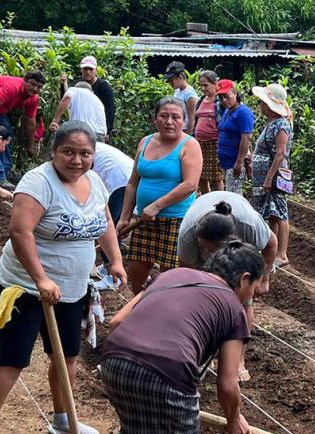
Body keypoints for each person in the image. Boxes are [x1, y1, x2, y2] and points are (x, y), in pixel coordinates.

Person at [0, 121, 127, 434]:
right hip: (23, 288)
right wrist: (40, 278)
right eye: (69, 151)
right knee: (13, 361)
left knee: (66, 357)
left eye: (85, 153)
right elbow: (19, 231)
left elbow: (106, 222)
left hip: (71, 289)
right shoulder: (39, 183)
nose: (77, 160)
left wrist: (114, 259)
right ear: (54, 152)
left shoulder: (94, 182)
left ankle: (62, 417)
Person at [101, 241, 260, 434]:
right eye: (253, 287)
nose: (252, 295)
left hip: (115, 360)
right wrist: (233, 419)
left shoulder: (171, 275)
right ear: (244, 279)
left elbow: (117, 321)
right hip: (169, 371)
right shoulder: (234, 309)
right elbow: (228, 384)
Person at [178, 191, 278, 381]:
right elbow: (187, 275)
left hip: (240, 257)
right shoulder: (188, 234)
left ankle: (238, 359)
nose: (208, 251)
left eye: (210, 248)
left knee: (244, 303)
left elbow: (271, 244)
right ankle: (202, 353)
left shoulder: (249, 225)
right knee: (201, 304)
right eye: (204, 247)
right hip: (201, 263)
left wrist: (263, 279)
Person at [116, 96, 202, 294]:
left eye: (175, 117)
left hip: (176, 222)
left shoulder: (190, 145)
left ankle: (166, 317)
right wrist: (125, 217)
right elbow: (132, 183)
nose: (169, 121)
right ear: (155, 119)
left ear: (184, 121)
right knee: (136, 271)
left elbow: (190, 184)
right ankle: (142, 311)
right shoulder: (145, 142)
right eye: (164, 116)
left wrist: (158, 205)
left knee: (170, 277)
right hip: (145, 220)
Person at [251, 83, 293, 267]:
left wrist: (269, 177)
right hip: (266, 174)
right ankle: (271, 250)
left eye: (262, 102)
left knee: (280, 212)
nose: (260, 106)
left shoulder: (281, 125)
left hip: (275, 175)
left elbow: (280, 153)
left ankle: (282, 254)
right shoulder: (272, 123)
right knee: (272, 213)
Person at [93, 142, 133, 266]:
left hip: (119, 181)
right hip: (128, 177)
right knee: (115, 225)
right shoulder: (90, 145)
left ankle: (109, 268)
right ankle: (112, 264)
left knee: (107, 226)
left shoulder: (82, 148)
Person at [216, 80, 253, 195]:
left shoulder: (243, 113)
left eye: (226, 96)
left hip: (235, 161)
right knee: (231, 192)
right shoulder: (228, 110)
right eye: (221, 98)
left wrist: (239, 162)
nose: (224, 101)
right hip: (226, 160)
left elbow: (246, 138)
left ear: (235, 93)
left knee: (233, 195)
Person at [194, 70, 224, 193]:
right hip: (200, 143)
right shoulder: (201, 100)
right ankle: (206, 200)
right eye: (201, 85)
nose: (202, 88)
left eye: (206, 85)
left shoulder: (220, 101)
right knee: (201, 175)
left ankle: (220, 202)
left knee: (216, 176)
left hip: (214, 143)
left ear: (215, 84)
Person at [79, 56, 116, 141]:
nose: (88, 72)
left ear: (95, 70)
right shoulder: (80, 86)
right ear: (81, 71)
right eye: (85, 69)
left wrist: (107, 130)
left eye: (90, 69)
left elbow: (110, 109)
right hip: (83, 128)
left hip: (98, 130)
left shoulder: (104, 87)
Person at [164, 62, 198, 134]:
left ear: (180, 77)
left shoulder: (189, 94)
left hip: (184, 131)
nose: (170, 83)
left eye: (171, 80)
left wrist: (188, 137)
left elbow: (192, 119)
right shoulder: (177, 91)